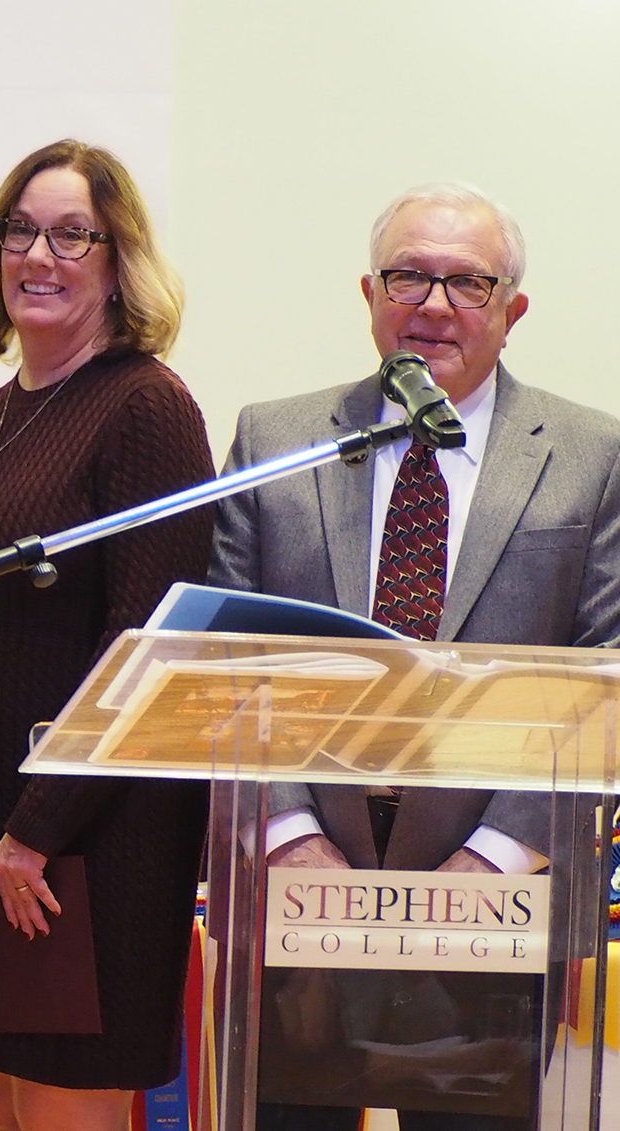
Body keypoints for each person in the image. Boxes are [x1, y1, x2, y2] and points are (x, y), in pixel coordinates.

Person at [210, 184, 620, 1131]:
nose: (432, 305)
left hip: (498, 906)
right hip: (298, 899)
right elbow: (227, 668)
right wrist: (292, 844)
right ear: (368, 293)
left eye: (467, 283)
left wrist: (492, 861)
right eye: (408, 276)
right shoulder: (277, 441)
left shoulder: (592, 456)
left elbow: (604, 679)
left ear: (512, 312)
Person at [0, 139, 212, 1131]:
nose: (40, 255)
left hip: (86, 858)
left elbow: (145, 647)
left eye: (73, 235)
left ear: (118, 264)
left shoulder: (147, 407)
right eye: (20, 230)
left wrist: (39, 826)